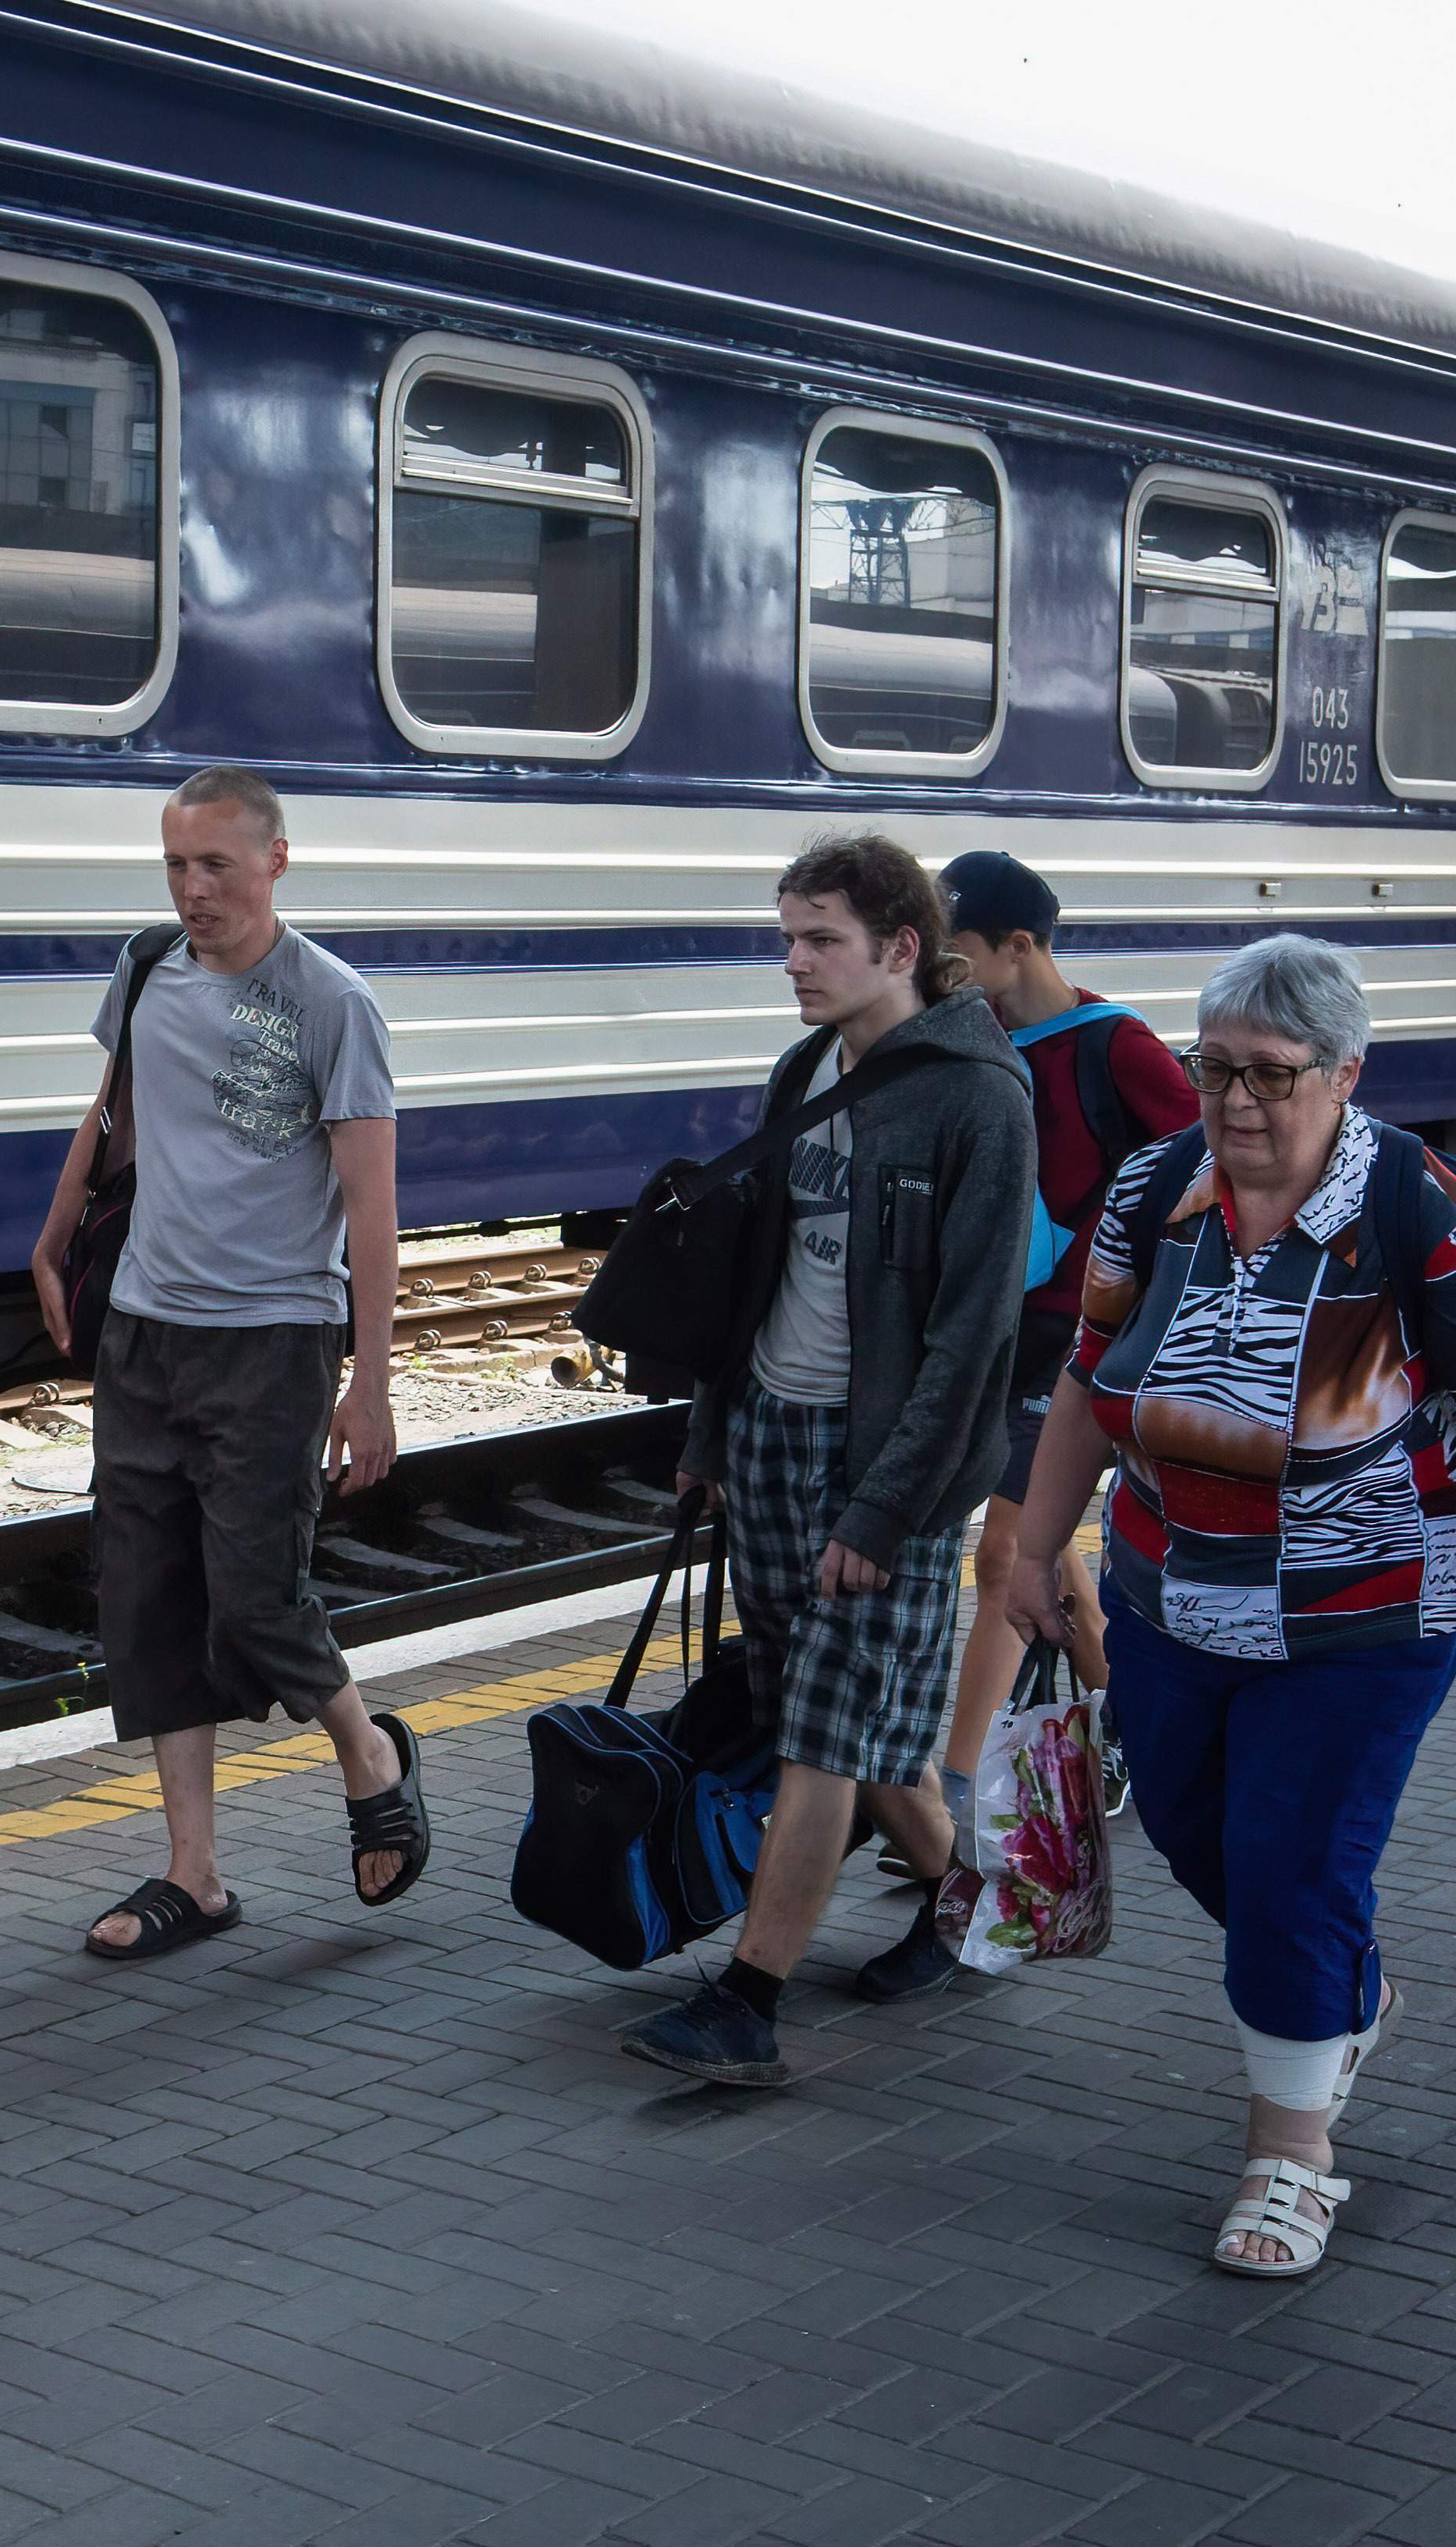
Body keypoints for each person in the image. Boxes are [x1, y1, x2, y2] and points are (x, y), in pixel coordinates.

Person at [1001, 934, 1456, 2278]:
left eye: (1269, 1076)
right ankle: (1336, 1991)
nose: (1235, 1103)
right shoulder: (1152, 1188)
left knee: (1285, 1871)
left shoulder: (1420, 1215)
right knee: (1196, 1835)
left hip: (1366, 1613)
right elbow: (1090, 1386)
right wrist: (1030, 1553)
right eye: (1212, 1069)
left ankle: (1291, 2157)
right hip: (1170, 1593)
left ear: (1342, 1075)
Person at [617, 836, 1036, 2086]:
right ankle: (974, 1901)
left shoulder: (977, 1098)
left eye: (819, 941)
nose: (792, 962)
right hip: (770, 1437)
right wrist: (709, 1437)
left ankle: (749, 2002)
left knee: (818, 1733)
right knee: (857, 1725)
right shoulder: (806, 1064)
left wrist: (887, 1502)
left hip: (885, 1465)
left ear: (900, 950)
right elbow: (754, 1274)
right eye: (786, 935)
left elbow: (970, 1336)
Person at [27, 766, 418, 1960]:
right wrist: (50, 1240)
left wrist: (370, 1383)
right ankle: (193, 1876)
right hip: (146, 1329)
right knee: (147, 1604)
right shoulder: (146, 968)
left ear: (275, 862)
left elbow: (371, 1208)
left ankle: (368, 1750)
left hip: (269, 1344)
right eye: (175, 867)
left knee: (256, 1599)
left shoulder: (332, 1002)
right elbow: (111, 1121)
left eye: (217, 868)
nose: (193, 892)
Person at [928, 850, 1197, 1849]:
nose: (939, 972)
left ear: (1020, 944)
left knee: (1005, 1555)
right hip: (999, 1322)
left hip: (1084, 1336)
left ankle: (958, 1795)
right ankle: (1131, 1719)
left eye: (955, 951)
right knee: (1039, 1544)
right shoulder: (971, 1037)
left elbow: (1203, 1175)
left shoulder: (1118, 1045)